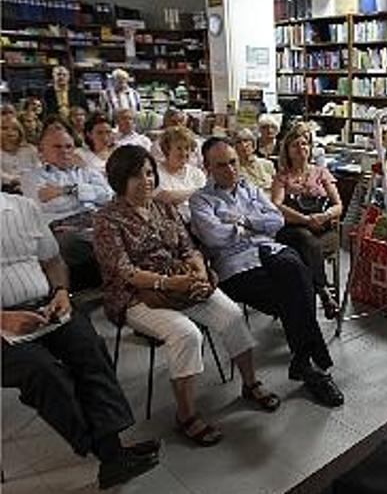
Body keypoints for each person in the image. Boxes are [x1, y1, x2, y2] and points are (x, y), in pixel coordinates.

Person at [93, 145, 281, 448]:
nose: (147, 181)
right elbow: (124, 271)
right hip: (136, 296)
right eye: (136, 176)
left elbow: (188, 248)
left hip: (182, 282)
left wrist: (198, 271)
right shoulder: (107, 219)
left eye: (150, 173)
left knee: (231, 315)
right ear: (118, 180)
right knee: (186, 334)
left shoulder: (164, 208)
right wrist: (168, 283)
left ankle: (250, 383)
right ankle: (186, 415)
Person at [1, 191, 161, 489]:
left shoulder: (22, 207)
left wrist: (61, 291)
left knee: (89, 348)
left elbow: (53, 261)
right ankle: (108, 452)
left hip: (44, 305)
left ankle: (111, 452)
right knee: (43, 371)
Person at [190, 137, 344, 408]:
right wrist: (253, 227)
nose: (230, 170)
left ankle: (306, 364)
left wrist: (243, 222)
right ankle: (310, 366)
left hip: (269, 251)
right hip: (236, 267)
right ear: (208, 167)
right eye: (221, 165)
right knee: (297, 288)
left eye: (233, 162)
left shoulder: (249, 188)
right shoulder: (201, 200)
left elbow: (276, 220)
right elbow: (214, 238)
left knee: (295, 270)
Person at [22, 123, 113, 291]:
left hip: (95, 221)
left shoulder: (87, 171)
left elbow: (107, 196)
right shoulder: (32, 177)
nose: (64, 151)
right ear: (42, 151)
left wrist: (67, 190)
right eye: (57, 146)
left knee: (118, 230)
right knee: (86, 240)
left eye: (68, 146)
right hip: (63, 228)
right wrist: (86, 195)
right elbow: (51, 206)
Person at [271, 122, 342, 319]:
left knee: (311, 249)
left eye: (304, 144)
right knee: (305, 238)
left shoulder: (321, 172)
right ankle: (324, 292)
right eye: (295, 145)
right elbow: (276, 205)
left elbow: (338, 205)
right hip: (294, 230)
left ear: (310, 148)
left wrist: (324, 216)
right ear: (287, 150)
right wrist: (304, 219)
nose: (301, 148)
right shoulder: (282, 177)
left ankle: (311, 298)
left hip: (323, 229)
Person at [153, 126, 206, 222]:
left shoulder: (197, 173)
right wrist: (197, 191)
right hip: (170, 224)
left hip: (199, 222)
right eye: (179, 148)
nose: (184, 153)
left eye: (187, 148)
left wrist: (179, 195)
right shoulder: (155, 172)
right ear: (167, 149)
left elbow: (206, 199)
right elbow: (164, 197)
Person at [1, 115, 41, 193]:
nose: (10, 131)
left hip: (33, 187)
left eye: (14, 129)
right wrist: (17, 180)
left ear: (20, 131)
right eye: (4, 128)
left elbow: (39, 168)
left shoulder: (30, 150)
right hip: (6, 190)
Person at [233, 128, 275, 192]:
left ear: (253, 144)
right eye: (239, 142)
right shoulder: (234, 170)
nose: (243, 145)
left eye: (246, 140)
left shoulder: (268, 164)